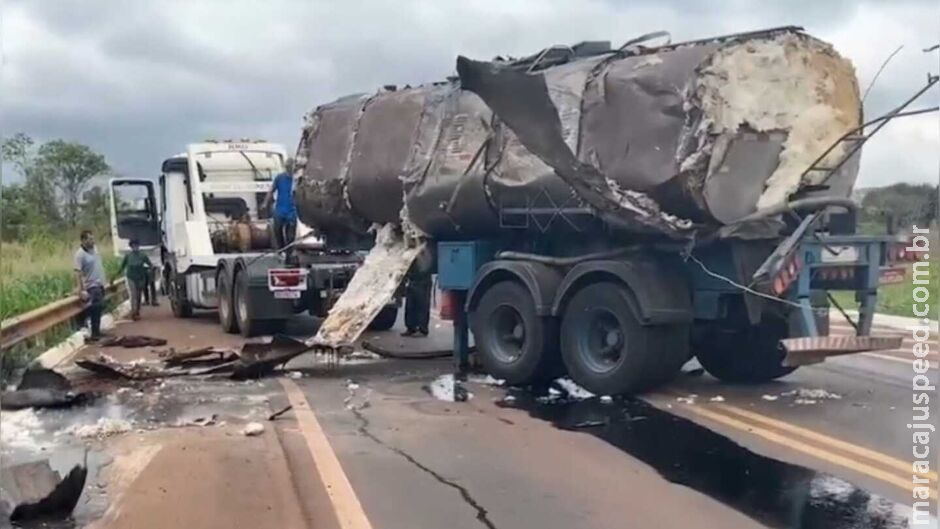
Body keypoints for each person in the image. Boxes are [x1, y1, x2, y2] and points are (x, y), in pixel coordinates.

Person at [74, 230, 108, 341]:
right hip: (91, 285)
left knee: (99, 308)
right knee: (95, 307)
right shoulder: (80, 254)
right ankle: (93, 332)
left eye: (93, 238)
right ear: (83, 240)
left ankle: (96, 331)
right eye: (90, 239)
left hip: (100, 283)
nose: (92, 241)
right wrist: (81, 289)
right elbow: (77, 272)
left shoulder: (95, 249)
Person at [263, 160, 297, 250]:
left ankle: (289, 253)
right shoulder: (279, 178)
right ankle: (281, 248)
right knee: (277, 230)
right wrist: (265, 202)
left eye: (292, 168)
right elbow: (271, 190)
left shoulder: (297, 179)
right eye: (288, 167)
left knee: (290, 235)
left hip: (292, 211)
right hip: (280, 209)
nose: (290, 170)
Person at [118, 239, 154, 320]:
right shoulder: (128, 256)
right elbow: (122, 266)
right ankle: (133, 312)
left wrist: (149, 270)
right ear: (131, 247)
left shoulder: (143, 255)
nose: (135, 247)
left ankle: (137, 310)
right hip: (131, 277)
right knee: (133, 294)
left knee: (138, 296)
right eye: (133, 246)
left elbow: (150, 265)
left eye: (136, 246)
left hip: (140, 278)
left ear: (138, 246)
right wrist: (115, 276)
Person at [401, 247, 434, 337]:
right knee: (410, 306)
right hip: (413, 280)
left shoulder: (424, 250)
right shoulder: (411, 250)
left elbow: (424, 267)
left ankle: (422, 329)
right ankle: (411, 328)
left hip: (422, 281)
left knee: (422, 305)